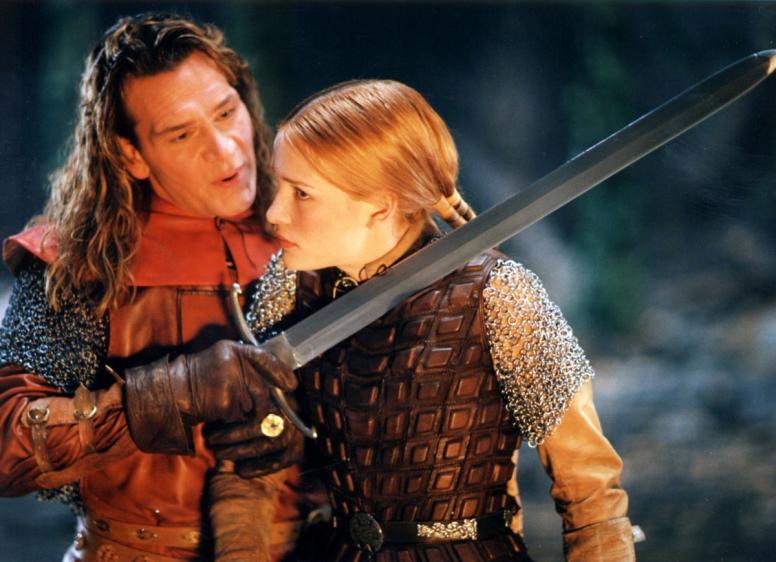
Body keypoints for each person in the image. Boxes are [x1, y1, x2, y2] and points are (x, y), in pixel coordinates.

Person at [244, 79, 638, 561]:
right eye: (279, 185)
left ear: (381, 205)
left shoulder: (499, 294)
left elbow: (592, 495)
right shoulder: (289, 284)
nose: (274, 212)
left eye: (302, 193)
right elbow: (248, 459)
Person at [0, 13, 306, 561]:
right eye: (182, 134)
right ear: (131, 155)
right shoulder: (76, 266)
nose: (227, 150)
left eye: (226, 112)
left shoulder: (315, 235)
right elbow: (6, 450)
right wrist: (175, 393)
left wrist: (308, 434)